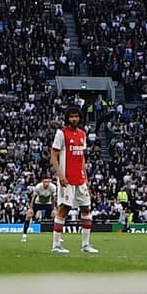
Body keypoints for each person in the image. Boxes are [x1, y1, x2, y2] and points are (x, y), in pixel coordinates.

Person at [51, 102, 99, 255]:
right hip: (67, 179)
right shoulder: (61, 133)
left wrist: (86, 177)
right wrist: (60, 175)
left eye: (76, 116)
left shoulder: (82, 134)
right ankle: (56, 245)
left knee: (86, 208)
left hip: (80, 179)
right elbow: (53, 155)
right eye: (71, 116)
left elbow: (82, 157)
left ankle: (85, 244)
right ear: (67, 118)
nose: (74, 119)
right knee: (64, 209)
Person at [25, 174, 57, 241]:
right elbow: (33, 198)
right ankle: (24, 234)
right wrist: (31, 208)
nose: (46, 183)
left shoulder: (53, 187)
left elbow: (53, 198)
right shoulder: (38, 187)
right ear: (42, 182)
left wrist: (53, 208)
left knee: (56, 216)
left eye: (48, 182)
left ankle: (57, 236)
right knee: (28, 215)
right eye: (45, 182)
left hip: (48, 203)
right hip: (38, 203)